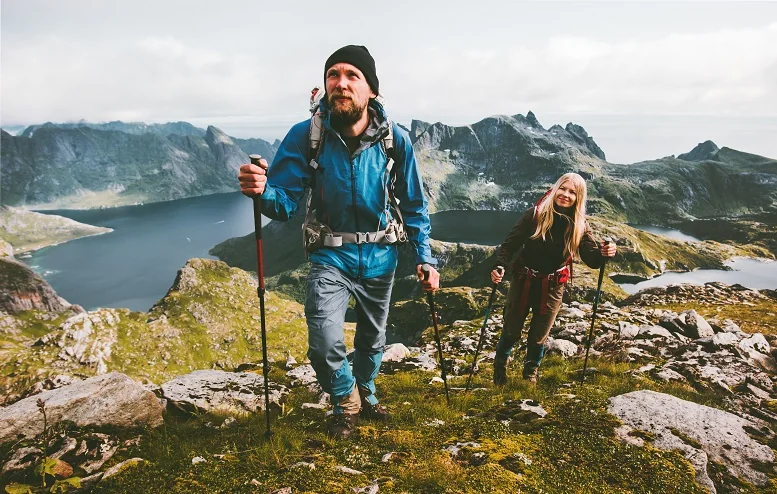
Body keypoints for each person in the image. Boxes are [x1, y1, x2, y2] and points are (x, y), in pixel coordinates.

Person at [238, 45, 439, 439]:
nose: (340, 83)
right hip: (331, 256)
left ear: (371, 91)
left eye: (352, 76)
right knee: (324, 339)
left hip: (382, 256)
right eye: (333, 75)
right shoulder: (306, 136)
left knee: (372, 339)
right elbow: (283, 202)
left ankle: (366, 387)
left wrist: (425, 258)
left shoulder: (395, 140)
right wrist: (261, 190)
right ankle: (346, 400)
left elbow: (414, 206)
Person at [490, 172, 616, 385]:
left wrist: (606, 252)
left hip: (552, 286)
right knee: (511, 330)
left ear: (579, 198)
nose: (565, 195)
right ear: (555, 189)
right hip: (524, 280)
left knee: (539, 334)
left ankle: (530, 375)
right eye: (563, 189)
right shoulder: (535, 215)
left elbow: (592, 259)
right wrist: (499, 266)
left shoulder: (580, 226)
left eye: (572, 192)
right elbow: (510, 244)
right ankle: (500, 370)